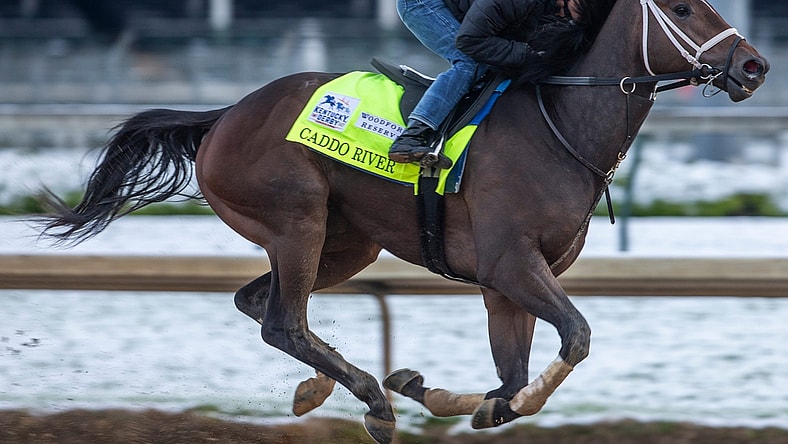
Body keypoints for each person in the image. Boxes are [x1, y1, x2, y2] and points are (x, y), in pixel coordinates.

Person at [388, 0, 582, 164]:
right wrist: (527, 54)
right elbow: (469, 40)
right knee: (468, 63)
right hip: (423, 4)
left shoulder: (552, 9)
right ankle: (411, 137)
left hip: (461, 11)